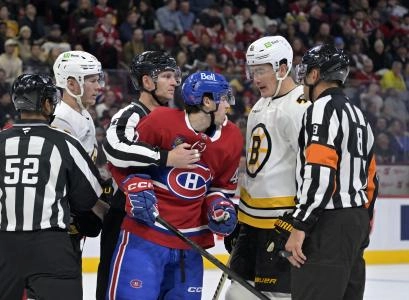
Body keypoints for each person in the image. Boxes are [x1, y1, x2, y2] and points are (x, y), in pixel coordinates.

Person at [106, 71, 243, 299]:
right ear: (207, 101)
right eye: (224, 98)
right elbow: (121, 162)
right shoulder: (160, 121)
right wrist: (133, 183)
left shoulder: (232, 137)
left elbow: (220, 188)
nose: (228, 105)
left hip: (189, 247)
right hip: (145, 238)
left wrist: (219, 206)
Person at [96, 51, 200, 300]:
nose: (175, 82)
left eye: (175, 76)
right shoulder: (131, 114)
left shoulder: (179, 119)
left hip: (168, 217)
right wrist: (166, 157)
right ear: (146, 82)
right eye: (166, 76)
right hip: (127, 213)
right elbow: (114, 148)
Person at [285, 44, 379, 300]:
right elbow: (371, 179)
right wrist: (361, 223)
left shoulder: (320, 110)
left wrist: (300, 225)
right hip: (355, 223)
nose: (303, 79)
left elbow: (319, 171)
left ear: (316, 75)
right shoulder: (359, 116)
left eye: (306, 72)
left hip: (327, 226)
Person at [0, 74, 103, 299]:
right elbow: (89, 197)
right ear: (47, 103)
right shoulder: (64, 142)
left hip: (4, 246)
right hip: (51, 246)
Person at [225, 35, 311, 300]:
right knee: (237, 296)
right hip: (251, 222)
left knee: (279, 297)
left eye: (261, 70)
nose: (255, 78)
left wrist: (298, 221)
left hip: (280, 222)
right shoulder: (260, 105)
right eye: (252, 71)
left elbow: (312, 170)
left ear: (282, 68)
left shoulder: (301, 107)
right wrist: (242, 216)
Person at [52, 50, 108, 271]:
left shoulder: (82, 114)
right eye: (93, 80)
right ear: (72, 84)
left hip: (75, 217)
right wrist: (92, 207)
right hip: (61, 226)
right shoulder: (61, 121)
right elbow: (60, 177)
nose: (99, 86)